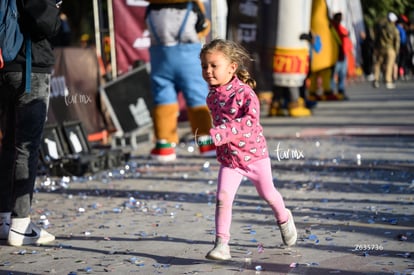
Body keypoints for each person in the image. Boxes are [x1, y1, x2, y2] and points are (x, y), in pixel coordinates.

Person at [199, 39, 297, 261]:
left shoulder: (245, 94)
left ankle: (284, 218)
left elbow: (249, 124)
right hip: (230, 161)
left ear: (232, 67)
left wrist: (218, 134)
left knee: (268, 194)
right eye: (205, 66)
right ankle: (222, 244)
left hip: (255, 157)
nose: (208, 71)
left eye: (214, 65)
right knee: (223, 197)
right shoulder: (212, 96)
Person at [0, 0, 61, 246]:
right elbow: (45, 23)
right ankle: (21, 224)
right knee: (27, 147)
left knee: (8, 146)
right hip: (30, 67)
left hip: (6, 67)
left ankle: (4, 219)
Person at [145, 0, 215, 162]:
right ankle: (206, 143)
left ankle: (164, 145)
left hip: (160, 58)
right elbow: (203, 27)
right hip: (188, 57)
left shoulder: (150, 9)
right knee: (197, 97)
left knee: (163, 99)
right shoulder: (192, 6)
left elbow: (146, 27)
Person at [372, 12, 400, 89]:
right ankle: (388, 81)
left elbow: (376, 39)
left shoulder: (381, 28)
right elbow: (397, 41)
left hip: (381, 48)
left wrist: (376, 48)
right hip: (390, 49)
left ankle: (376, 80)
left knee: (378, 64)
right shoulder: (394, 29)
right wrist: (396, 51)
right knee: (389, 65)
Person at [330, 12, 353, 100]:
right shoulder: (333, 28)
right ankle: (331, 91)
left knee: (342, 75)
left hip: (343, 54)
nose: (340, 19)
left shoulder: (341, 28)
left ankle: (341, 91)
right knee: (333, 74)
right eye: (339, 18)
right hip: (335, 55)